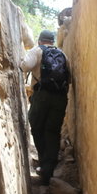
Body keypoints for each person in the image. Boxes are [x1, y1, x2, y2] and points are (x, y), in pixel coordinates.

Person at [21, 29, 69, 184]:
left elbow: (25, 66)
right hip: (60, 98)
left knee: (36, 127)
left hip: (41, 96)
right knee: (53, 132)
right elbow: (69, 79)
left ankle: (43, 162)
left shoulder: (37, 51)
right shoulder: (62, 55)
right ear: (52, 41)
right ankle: (49, 169)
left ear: (40, 40)